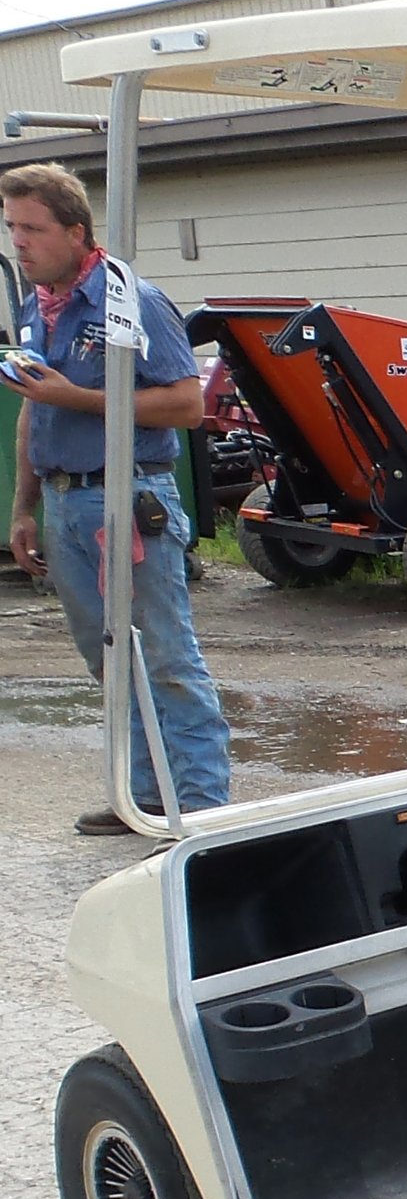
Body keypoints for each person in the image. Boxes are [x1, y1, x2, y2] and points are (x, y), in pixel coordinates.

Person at [4, 162, 230, 833]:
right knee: (108, 655)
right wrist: (24, 506)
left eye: (33, 229)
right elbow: (30, 409)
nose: (19, 242)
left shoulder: (131, 299)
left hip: (129, 496)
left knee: (162, 652)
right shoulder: (35, 303)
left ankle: (202, 806)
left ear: (76, 230)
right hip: (67, 500)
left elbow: (187, 404)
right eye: (11, 228)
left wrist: (75, 397)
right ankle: (142, 796)